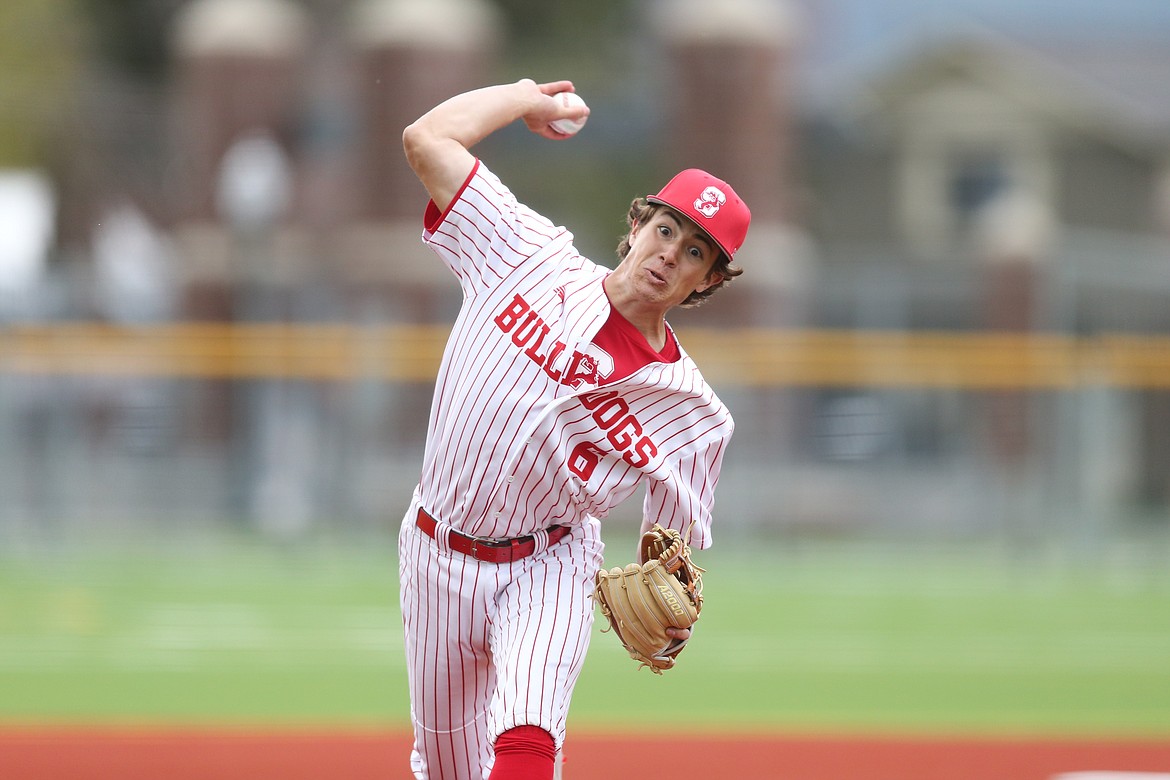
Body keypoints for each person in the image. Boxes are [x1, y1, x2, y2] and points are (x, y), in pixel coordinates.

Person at [398, 78, 750, 780]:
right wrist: (525, 97)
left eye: (693, 255)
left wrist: (674, 612)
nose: (668, 256)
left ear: (706, 284)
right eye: (667, 230)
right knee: (446, 765)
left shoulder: (692, 413)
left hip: (549, 563)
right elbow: (425, 140)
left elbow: (669, 553)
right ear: (637, 225)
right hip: (435, 552)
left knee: (527, 740)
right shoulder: (528, 254)